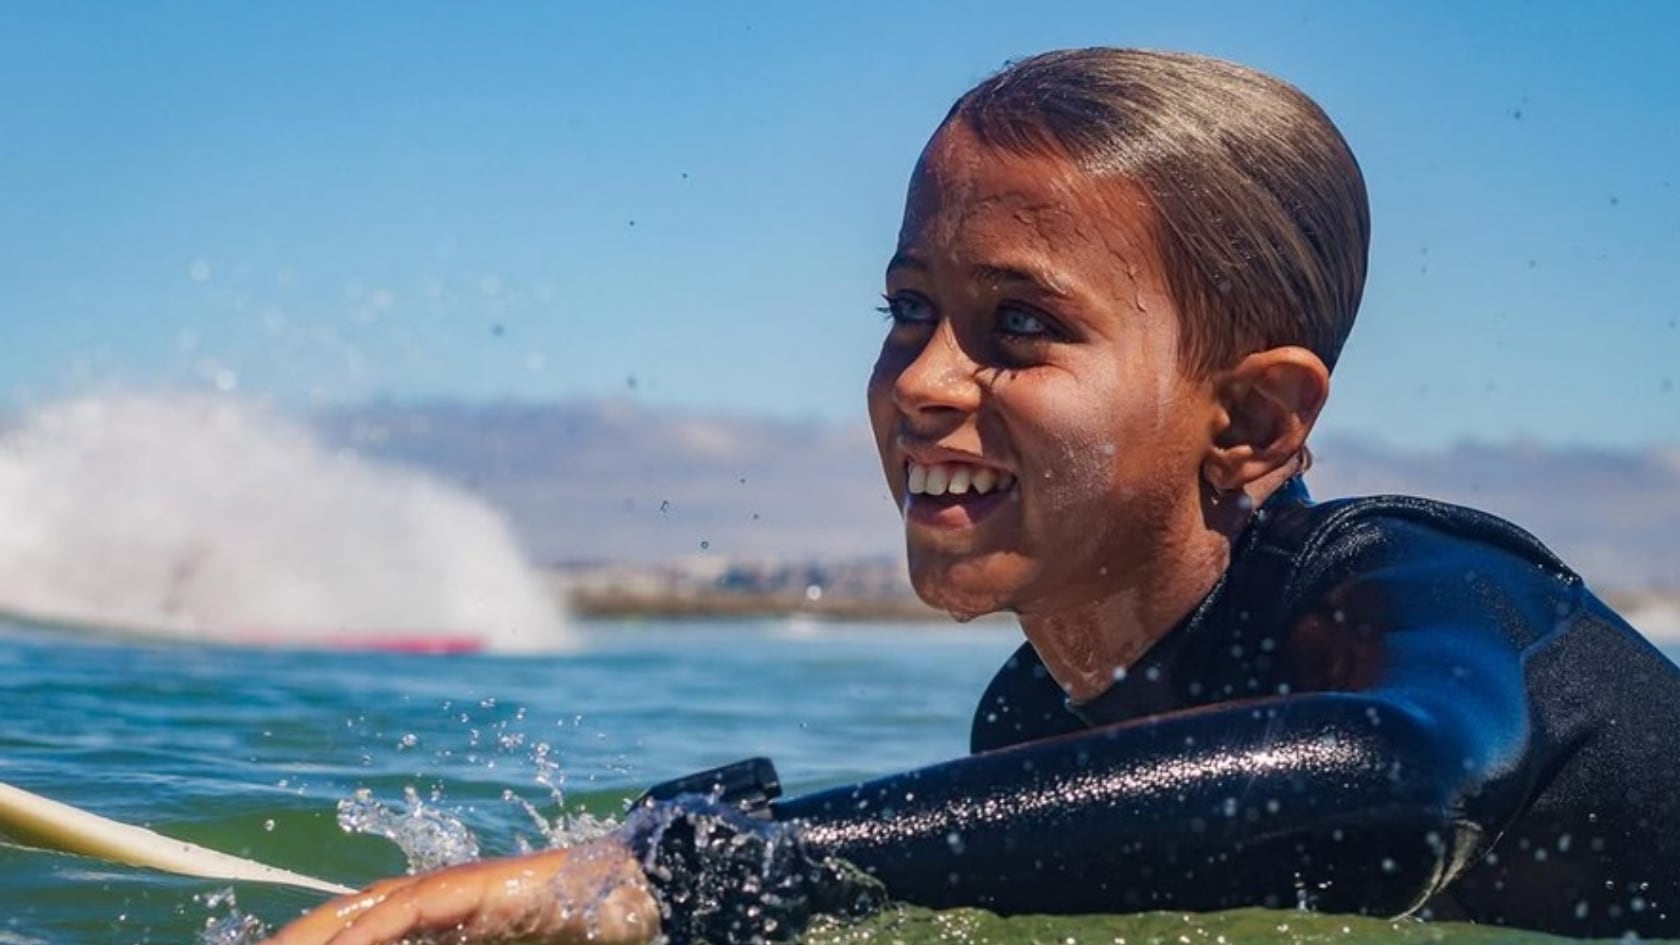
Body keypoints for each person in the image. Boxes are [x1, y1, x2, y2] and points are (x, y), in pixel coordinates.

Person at [259, 48, 1680, 945]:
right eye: (907, 307)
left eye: (1019, 326)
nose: (922, 380)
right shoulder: (1028, 718)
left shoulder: (1419, 597)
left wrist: (708, 875)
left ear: (1249, 419)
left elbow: (1395, 775)